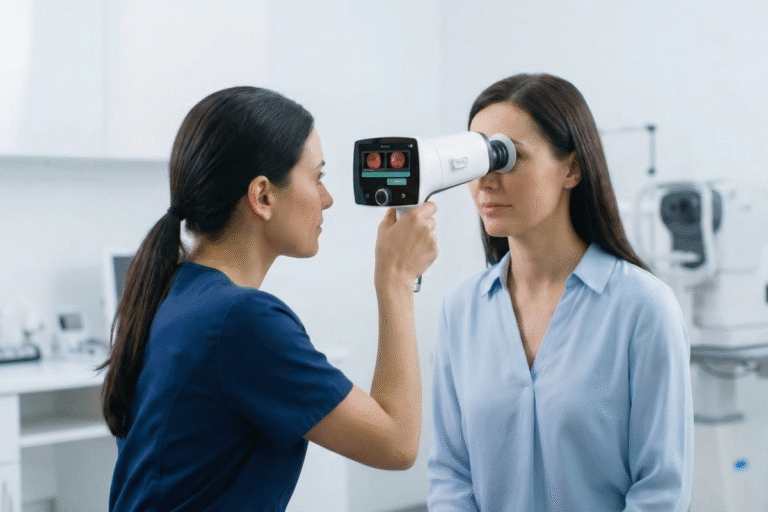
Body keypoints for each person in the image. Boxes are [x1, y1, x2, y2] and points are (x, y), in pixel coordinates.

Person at [99, 86, 438, 511]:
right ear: (262, 196)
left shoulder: (172, 292)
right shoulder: (242, 320)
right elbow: (397, 443)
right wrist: (396, 280)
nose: (328, 199)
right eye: (317, 177)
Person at [427, 73, 693, 511]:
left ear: (572, 167)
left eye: (508, 158)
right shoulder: (462, 310)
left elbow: (660, 489)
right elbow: (450, 475)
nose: (486, 181)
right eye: (478, 161)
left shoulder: (643, 308)